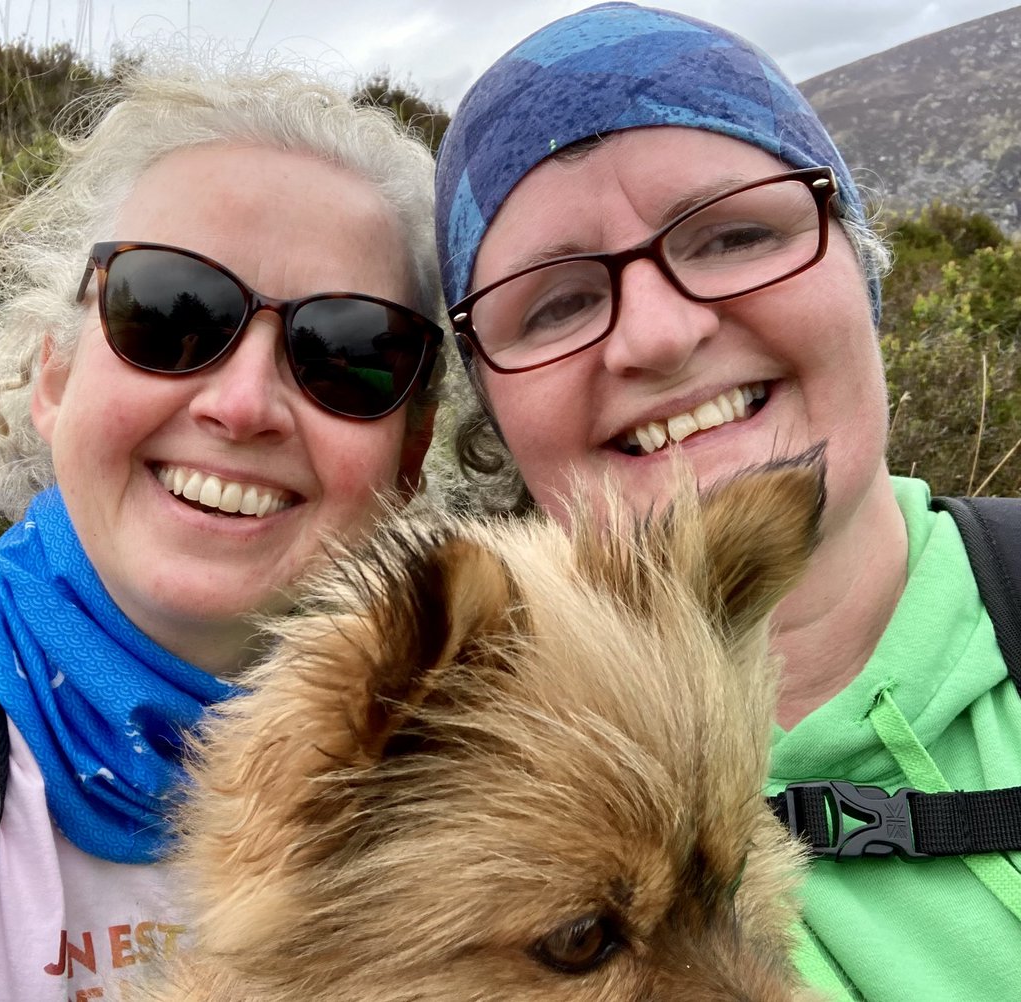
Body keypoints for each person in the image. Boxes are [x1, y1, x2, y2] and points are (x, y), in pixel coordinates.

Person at [433, 4, 1020, 1000]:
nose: (659, 334)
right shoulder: (434, 787)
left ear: (860, 266)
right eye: (557, 300)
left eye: (735, 233)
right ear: (493, 412)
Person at [0, 64, 445, 1001]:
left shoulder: (444, 799)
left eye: (348, 352)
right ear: (55, 378)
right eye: (169, 313)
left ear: (411, 450)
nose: (244, 406)